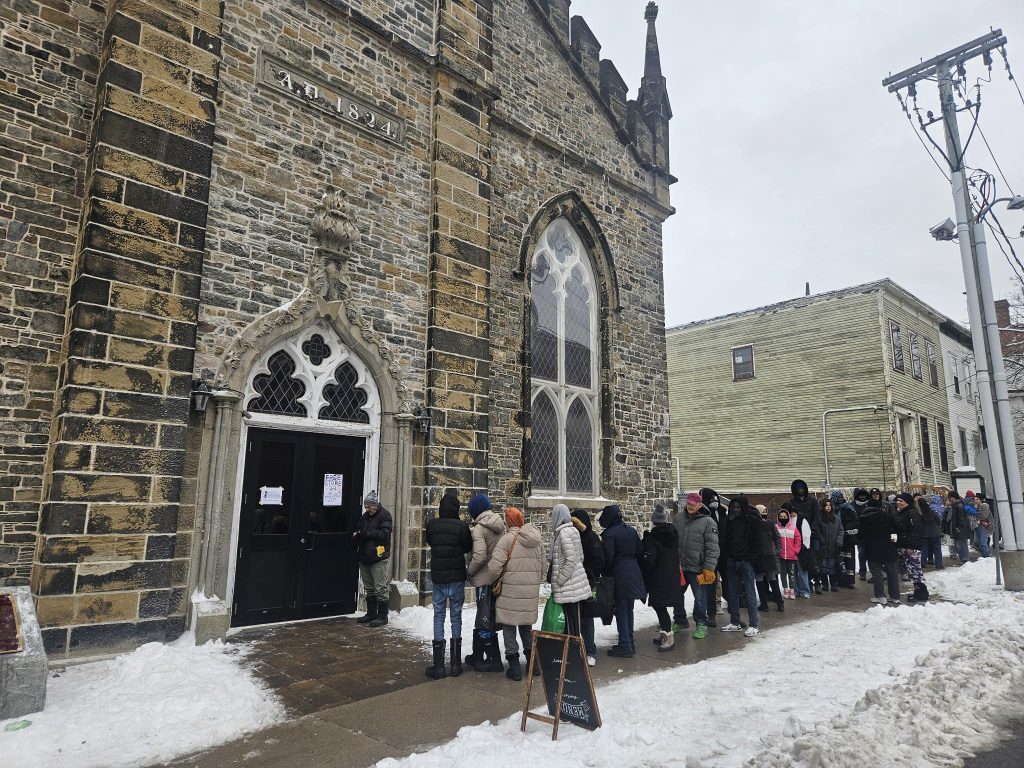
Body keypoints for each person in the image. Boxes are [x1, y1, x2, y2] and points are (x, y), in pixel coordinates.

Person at [487, 506, 544, 681]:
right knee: (526, 627)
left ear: (509, 521)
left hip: (509, 593)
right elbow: (543, 569)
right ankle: (532, 664)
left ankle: (514, 668)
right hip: (529, 593)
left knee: (509, 627)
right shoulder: (537, 541)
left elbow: (493, 569)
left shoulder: (506, 540)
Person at [424, 490, 472, 679]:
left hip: (439, 578)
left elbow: (430, 542)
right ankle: (455, 664)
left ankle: (438, 666)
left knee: (438, 616)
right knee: (456, 616)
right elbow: (467, 547)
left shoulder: (432, 525)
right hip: (457, 577)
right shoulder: (461, 526)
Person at [464, 494, 507, 672]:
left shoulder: (479, 529)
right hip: (496, 578)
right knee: (487, 616)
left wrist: (469, 570)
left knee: (484, 618)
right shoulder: (500, 525)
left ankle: (492, 659)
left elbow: (479, 556)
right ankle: (478, 654)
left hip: (483, 579)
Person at [599, 504, 646, 657]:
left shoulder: (609, 534)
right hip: (633, 572)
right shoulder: (631, 531)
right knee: (628, 609)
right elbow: (640, 551)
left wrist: (605, 573)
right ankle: (629, 641)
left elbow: (608, 558)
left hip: (620, 574)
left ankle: (625, 644)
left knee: (621, 610)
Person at [674, 491, 719, 640]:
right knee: (676, 596)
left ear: (700, 505)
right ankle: (680, 621)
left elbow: (712, 548)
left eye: (693, 505)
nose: (690, 507)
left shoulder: (708, 521)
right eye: (688, 504)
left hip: (698, 568)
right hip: (680, 567)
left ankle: (701, 623)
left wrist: (708, 568)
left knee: (700, 598)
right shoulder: (678, 518)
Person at [720, 495, 763, 637]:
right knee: (732, 593)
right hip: (732, 561)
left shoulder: (754, 522)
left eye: (738, 507)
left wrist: (750, 560)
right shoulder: (730, 521)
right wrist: (728, 556)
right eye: (733, 508)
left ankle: (753, 624)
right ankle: (735, 622)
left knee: (750, 593)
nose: (735, 510)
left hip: (746, 562)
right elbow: (726, 540)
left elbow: (758, 543)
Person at [641, 504, 681, 651]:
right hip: (671, 575)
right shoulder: (673, 534)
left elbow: (650, 560)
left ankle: (669, 637)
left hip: (658, 577)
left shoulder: (653, 538)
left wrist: (645, 545)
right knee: (661, 606)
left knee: (659, 606)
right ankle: (664, 633)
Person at [550, 503, 591, 640]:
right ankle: (573, 655)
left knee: (570, 626)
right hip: (573, 584)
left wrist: (560, 579)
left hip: (568, 586)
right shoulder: (573, 530)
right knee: (574, 625)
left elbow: (571, 560)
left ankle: (572, 657)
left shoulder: (563, 533)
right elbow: (581, 557)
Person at [571, 509, 605, 666]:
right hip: (573, 583)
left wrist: (586, 573)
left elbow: (598, 561)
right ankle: (575, 650)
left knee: (586, 619)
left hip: (586, 582)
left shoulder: (591, 538)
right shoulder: (572, 536)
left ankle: (590, 651)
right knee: (574, 618)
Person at [354, 490, 393, 627]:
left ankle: (383, 616)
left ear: (375, 505)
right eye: (366, 507)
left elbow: (384, 535)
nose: (367, 509)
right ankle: (371, 613)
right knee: (369, 587)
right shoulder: (365, 516)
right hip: (365, 556)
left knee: (380, 587)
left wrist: (366, 533)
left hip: (378, 558)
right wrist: (357, 534)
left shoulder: (385, 516)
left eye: (369, 506)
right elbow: (360, 529)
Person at [858, 491, 900, 605]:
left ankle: (881, 596)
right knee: (892, 572)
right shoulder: (886, 516)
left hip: (872, 548)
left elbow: (860, 535)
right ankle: (895, 596)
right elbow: (897, 527)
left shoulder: (863, 518)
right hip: (888, 547)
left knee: (876, 573)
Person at [700, 487, 727, 625]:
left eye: (715, 498)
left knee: (728, 584)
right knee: (711, 585)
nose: (714, 501)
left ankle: (735, 613)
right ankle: (711, 614)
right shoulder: (703, 514)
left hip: (724, 553)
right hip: (710, 554)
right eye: (711, 499)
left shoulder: (722, 512)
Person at [896, 495, 930, 603]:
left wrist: (911, 545)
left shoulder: (912, 513)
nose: (898, 502)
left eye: (901, 501)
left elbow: (916, 530)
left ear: (908, 502)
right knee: (911, 571)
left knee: (915, 571)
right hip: (904, 546)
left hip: (912, 548)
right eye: (898, 501)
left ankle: (921, 593)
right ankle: (917, 591)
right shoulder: (903, 513)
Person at [790, 479, 821, 593]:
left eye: (802, 488)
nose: (800, 490)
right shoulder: (792, 503)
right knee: (803, 560)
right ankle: (807, 583)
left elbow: (817, 517)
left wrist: (812, 530)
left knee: (815, 560)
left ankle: (817, 581)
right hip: (799, 535)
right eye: (798, 488)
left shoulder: (812, 501)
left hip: (812, 535)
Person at [754, 504, 784, 612]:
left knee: (759, 579)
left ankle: (764, 604)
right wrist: (777, 551)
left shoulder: (754, 525)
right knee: (772, 579)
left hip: (759, 556)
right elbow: (778, 538)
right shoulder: (771, 524)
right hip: (770, 555)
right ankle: (780, 603)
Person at [837, 489, 863, 587]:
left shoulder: (848, 508)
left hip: (848, 538)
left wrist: (845, 529)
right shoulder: (834, 508)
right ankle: (841, 579)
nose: (839, 499)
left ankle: (850, 581)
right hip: (838, 538)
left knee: (849, 559)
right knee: (841, 560)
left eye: (840, 497)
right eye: (837, 497)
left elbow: (854, 521)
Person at [818, 498, 844, 592]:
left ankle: (833, 584)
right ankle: (824, 584)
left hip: (833, 547)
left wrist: (839, 541)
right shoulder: (819, 519)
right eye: (826, 505)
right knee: (824, 566)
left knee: (832, 566)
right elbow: (817, 531)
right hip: (823, 546)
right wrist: (821, 541)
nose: (828, 507)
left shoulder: (836, 518)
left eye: (829, 505)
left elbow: (841, 530)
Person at [943, 491, 972, 565]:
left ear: (954, 497)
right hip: (957, 529)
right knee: (959, 545)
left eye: (950, 498)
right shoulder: (955, 506)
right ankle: (964, 560)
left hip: (960, 530)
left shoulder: (959, 506)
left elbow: (961, 519)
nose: (949, 500)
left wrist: (958, 528)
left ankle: (965, 560)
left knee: (961, 545)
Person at [920, 493, 944, 569]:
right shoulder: (932, 511)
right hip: (935, 532)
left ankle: (923, 563)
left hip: (924, 533)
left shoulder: (919, 513)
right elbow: (939, 520)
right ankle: (939, 565)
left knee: (924, 549)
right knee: (937, 549)